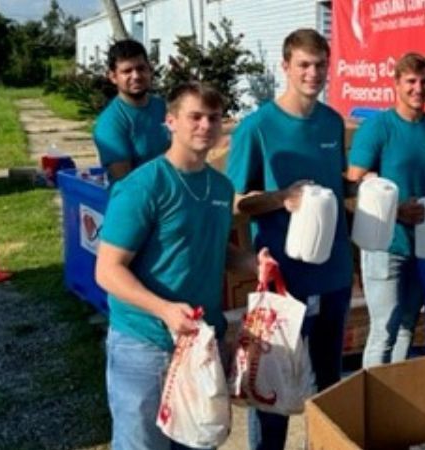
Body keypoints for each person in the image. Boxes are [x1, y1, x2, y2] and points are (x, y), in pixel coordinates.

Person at [95, 82, 250, 450]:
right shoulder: (144, 186)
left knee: (197, 441)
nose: (205, 126)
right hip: (145, 344)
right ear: (171, 121)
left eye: (214, 118)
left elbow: (209, 248)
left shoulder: (220, 187)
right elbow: (108, 270)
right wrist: (164, 309)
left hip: (201, 343)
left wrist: (252, 262)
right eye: (194, 117)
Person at [225, 28, 352, 450]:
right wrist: (283, 198)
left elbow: (341, 190)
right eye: (303, 65)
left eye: (320, 65)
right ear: (285, 67)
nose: (313, 73)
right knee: (273, 387)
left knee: (329, 383)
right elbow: (237, 203)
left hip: (332, 275)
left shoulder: (333, 122)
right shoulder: (257, 127)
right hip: (283, 279)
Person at [347, 53, 425, 368]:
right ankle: (370, 407)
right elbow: (355, 180)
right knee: (384, 328)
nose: (418, 89)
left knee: (408, 325)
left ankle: (394, 398)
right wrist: (396, 210)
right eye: (410, 81)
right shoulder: (379, 127)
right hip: (385, 243)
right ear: (396, 84)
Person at [93, 39, 172, 182]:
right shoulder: (110, 123)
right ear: (113, 77)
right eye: (127, 71)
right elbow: (127, 182)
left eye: (141, 68)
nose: (136, 76)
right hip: (139, 199)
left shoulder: (162, 107)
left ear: (149, 70)